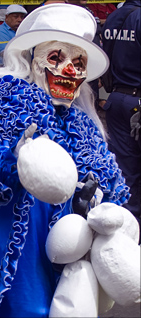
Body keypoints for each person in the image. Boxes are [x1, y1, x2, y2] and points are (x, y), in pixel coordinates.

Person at [0, 4, 131, 318]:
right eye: (56, 57)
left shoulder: (82, 121)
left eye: (79, 62)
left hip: (57, 251)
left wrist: (96, 198)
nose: (69, 70)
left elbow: (108, 184)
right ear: (31, 57)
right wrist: (13, 159)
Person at [102, 0, 141, 235]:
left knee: (125, 170)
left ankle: (127, 230)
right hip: (136, 99)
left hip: (116, 98)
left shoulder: (113, 17)